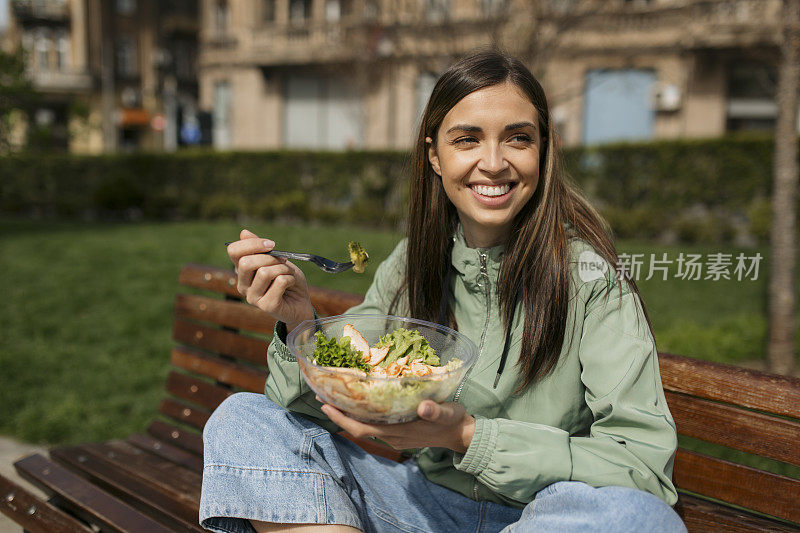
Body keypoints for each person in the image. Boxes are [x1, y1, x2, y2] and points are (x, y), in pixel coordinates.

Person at [200, 49, 686, 533]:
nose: (493, 163)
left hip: (545, 516)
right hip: (417, 506)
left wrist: (468, 436)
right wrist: (300, 322)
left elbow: (641, 466)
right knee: (243, 420)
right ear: (435, 155)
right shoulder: (413, 264)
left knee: (638, 518)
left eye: (518, 138)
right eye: (467, 140)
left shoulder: (591, 280)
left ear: (544, 149)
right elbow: (329, 408)